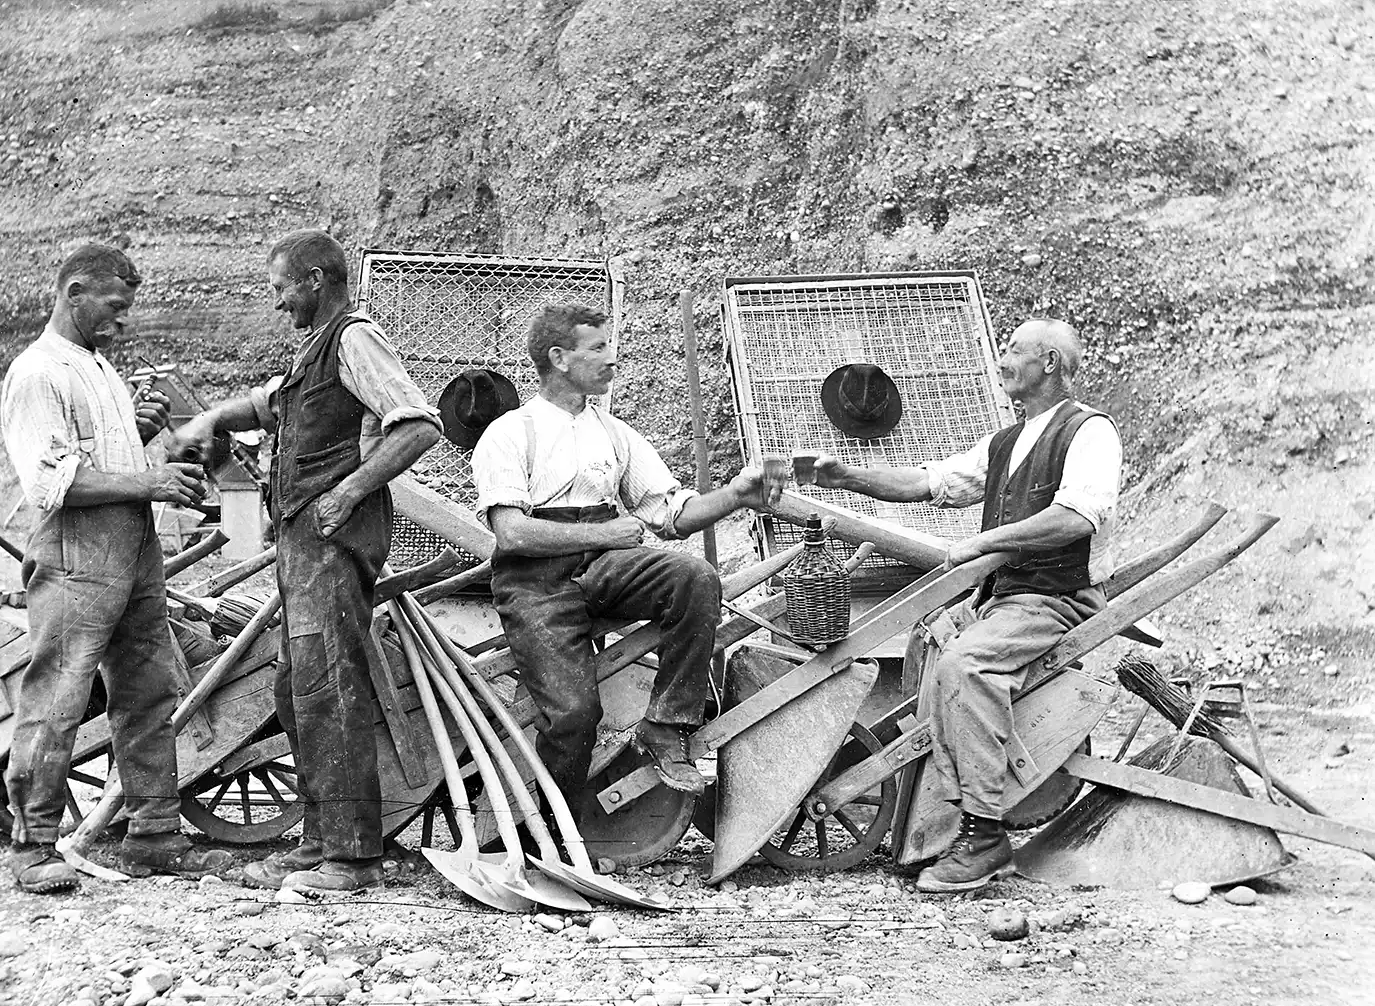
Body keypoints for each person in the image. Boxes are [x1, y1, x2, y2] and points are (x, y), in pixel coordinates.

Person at [801, 318, 1121, 893]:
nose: (1001, 357)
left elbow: (1076, 517)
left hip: (1055, 596)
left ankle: (985, 834)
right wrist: (847, 476)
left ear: (1049, 363)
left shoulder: (1089, 432)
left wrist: (986, 541)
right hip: (1006, 597)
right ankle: (930, 818)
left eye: (1012, 349)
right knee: (930, 640)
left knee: (967, 665)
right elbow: (928, 482)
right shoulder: (1008, 440)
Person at [170, 230, 441, 894]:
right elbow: (266, 404)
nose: (277, 302)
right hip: (303, 549)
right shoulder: (314, 352)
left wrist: (348, 490)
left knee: (330, 691)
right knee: (300, 692)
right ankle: (319, 841)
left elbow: (419, 424)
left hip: (331, 542)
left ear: (316, 279)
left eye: (281, 288)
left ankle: (350, 859)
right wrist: (208, 420)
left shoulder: (354, 337)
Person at [470, 303, 784, 817]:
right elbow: (512, 532)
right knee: (573, 714)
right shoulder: (510, 432)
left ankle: (665, 724)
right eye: (598, 347)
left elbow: (673, 514)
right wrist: (604, 530)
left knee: (694, 577)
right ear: (559, 358)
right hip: (536, 585)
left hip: (603, 567)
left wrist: (737, 494)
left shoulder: (613, 433)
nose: (613, 358)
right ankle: (552, 832)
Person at [0, 242, 233, 893]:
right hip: (77, 547)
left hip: (131, 545)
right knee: (61, 691)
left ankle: (154, 836)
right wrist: (155, 478)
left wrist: (137, 424)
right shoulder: (38, 371)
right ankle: (32, 843)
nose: (123, 320)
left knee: (147, 687)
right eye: (113, 305)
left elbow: (93, 455)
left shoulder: (97, 366)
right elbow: (55, 484)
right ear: (74, 292)